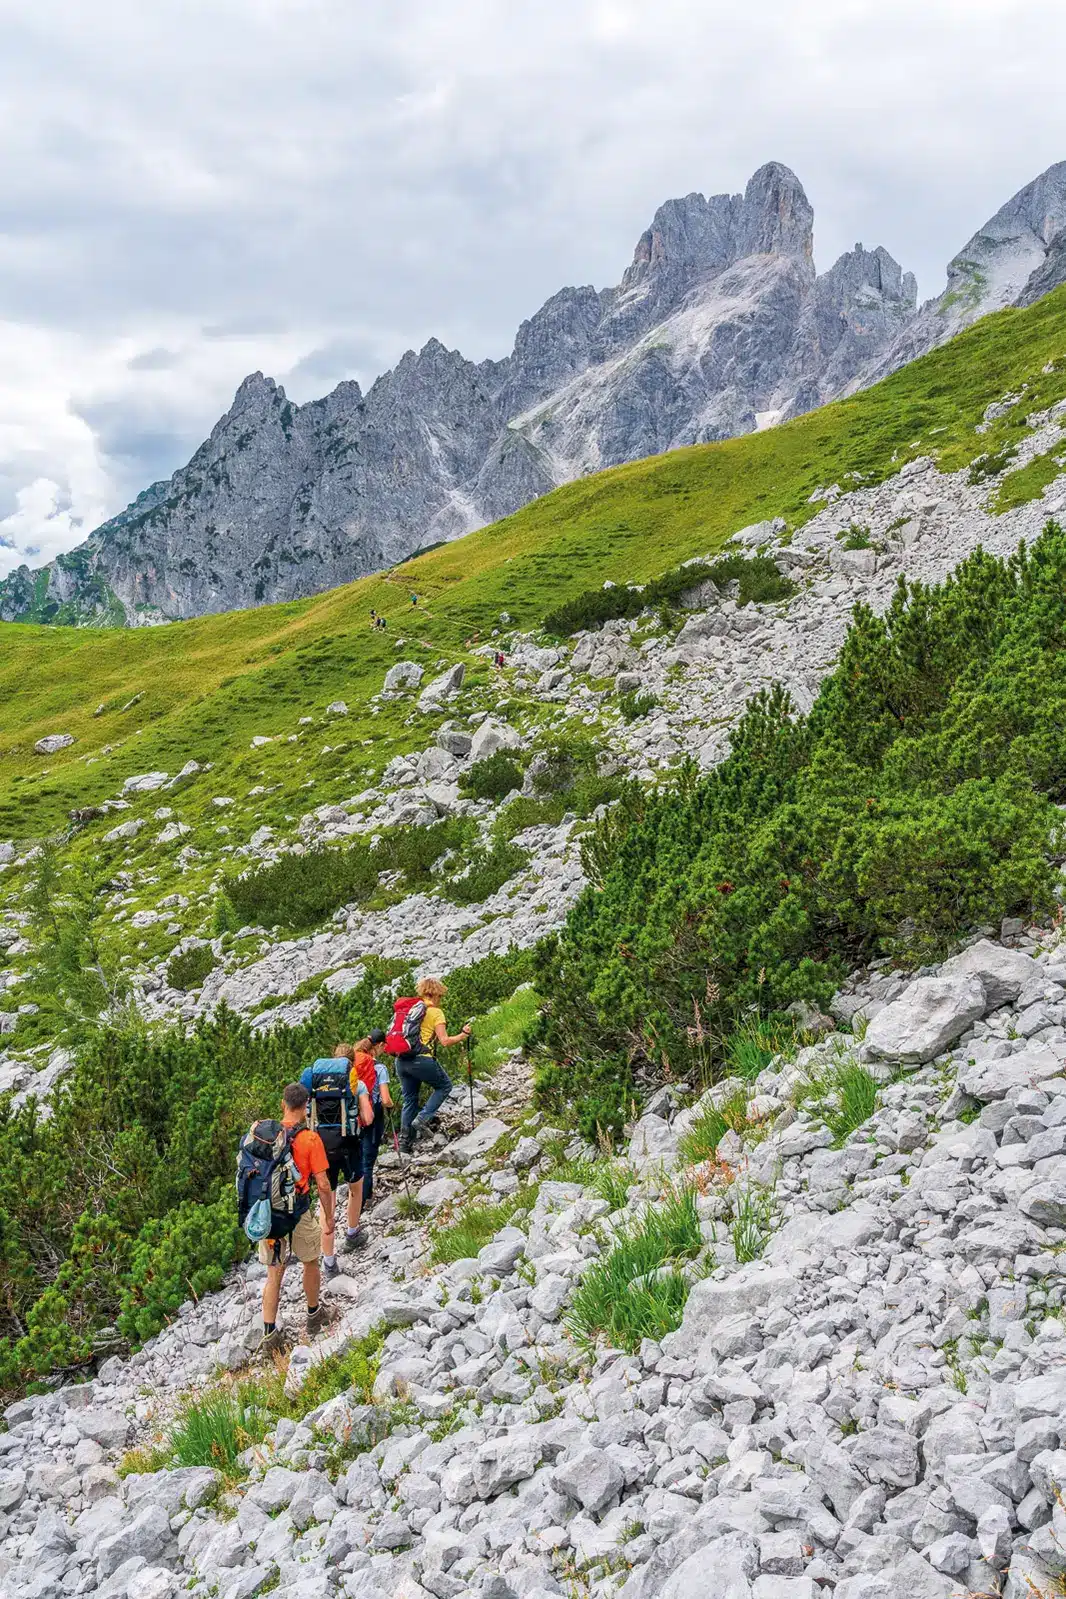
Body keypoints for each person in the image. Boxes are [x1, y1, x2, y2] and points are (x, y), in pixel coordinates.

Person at [258, 1083, 335, 1352]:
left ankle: (270, 1336)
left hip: (270, 1214)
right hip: (299, 1210)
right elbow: (323, 1184)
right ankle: (314, 1315)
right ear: (305, 1108)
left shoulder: (266, 1136)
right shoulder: (310, 1139)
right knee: (310, 1261)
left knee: (273, 1272)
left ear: (283, 1104)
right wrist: (329, 1215)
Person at [300, 1044, 373, 1281]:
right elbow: (368, 1118)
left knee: (326, 1199)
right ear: (351, 1064)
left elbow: (305, 1114)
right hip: (349, 1144)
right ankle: (352, 1233)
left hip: (320, 1146)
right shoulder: (357, 1085)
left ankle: (329, 1261)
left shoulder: (315, 1087)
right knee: (355, 1188)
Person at [397, 977, 470, 1153]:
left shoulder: (410, 1009)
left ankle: (404, 1145)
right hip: (421, 1059)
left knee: (409, 1100)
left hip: (401, 1060)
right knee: (445, 1086)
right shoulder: (435, 1012)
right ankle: (422, 1119)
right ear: (437, 994)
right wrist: (462, 1035)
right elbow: (444, 1041)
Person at [351, 1029, 393, 1218]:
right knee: (368, 1159)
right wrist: (391, 1105)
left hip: (352, 1115)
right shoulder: (379, 1068)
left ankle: (354, 1200)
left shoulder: (353, 1062)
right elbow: (385, 1099)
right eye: (384, 1046)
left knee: (357, 1157)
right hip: (372, 1113)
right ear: (378, 1046)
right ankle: (364, 1199)